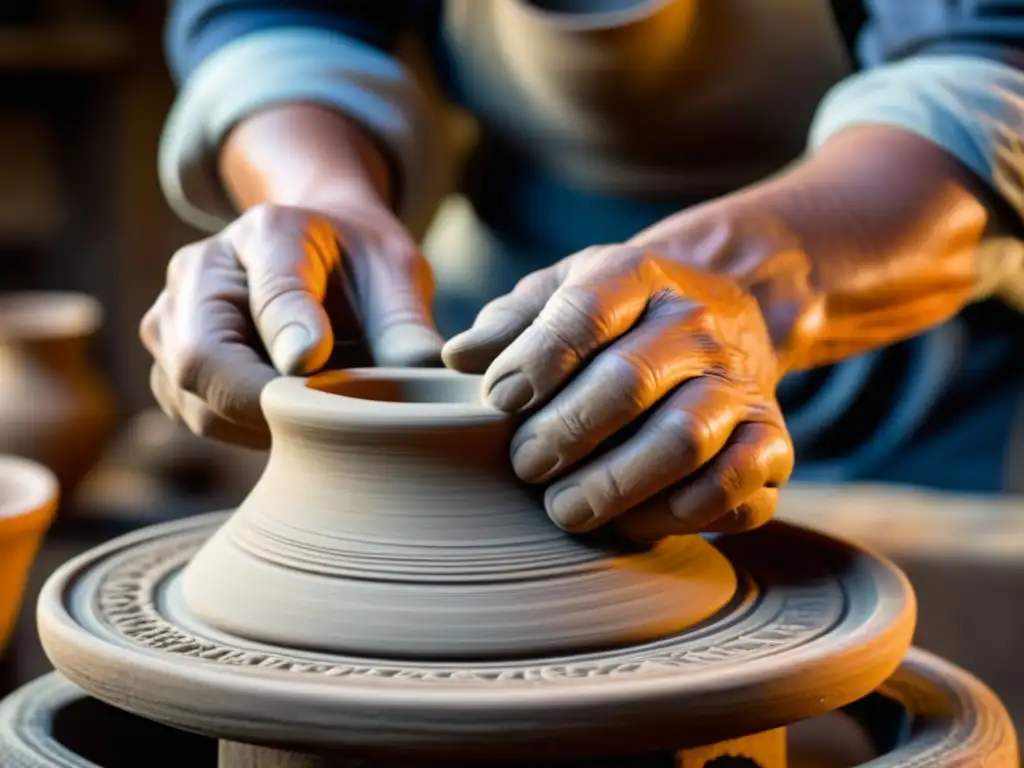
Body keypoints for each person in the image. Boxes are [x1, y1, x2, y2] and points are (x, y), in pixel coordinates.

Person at [144, 0, 1024, 542]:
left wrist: (744, 290)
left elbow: (986, 68)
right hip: (493, 331)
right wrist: (316, 201)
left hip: (906, 361)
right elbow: (280, 19)